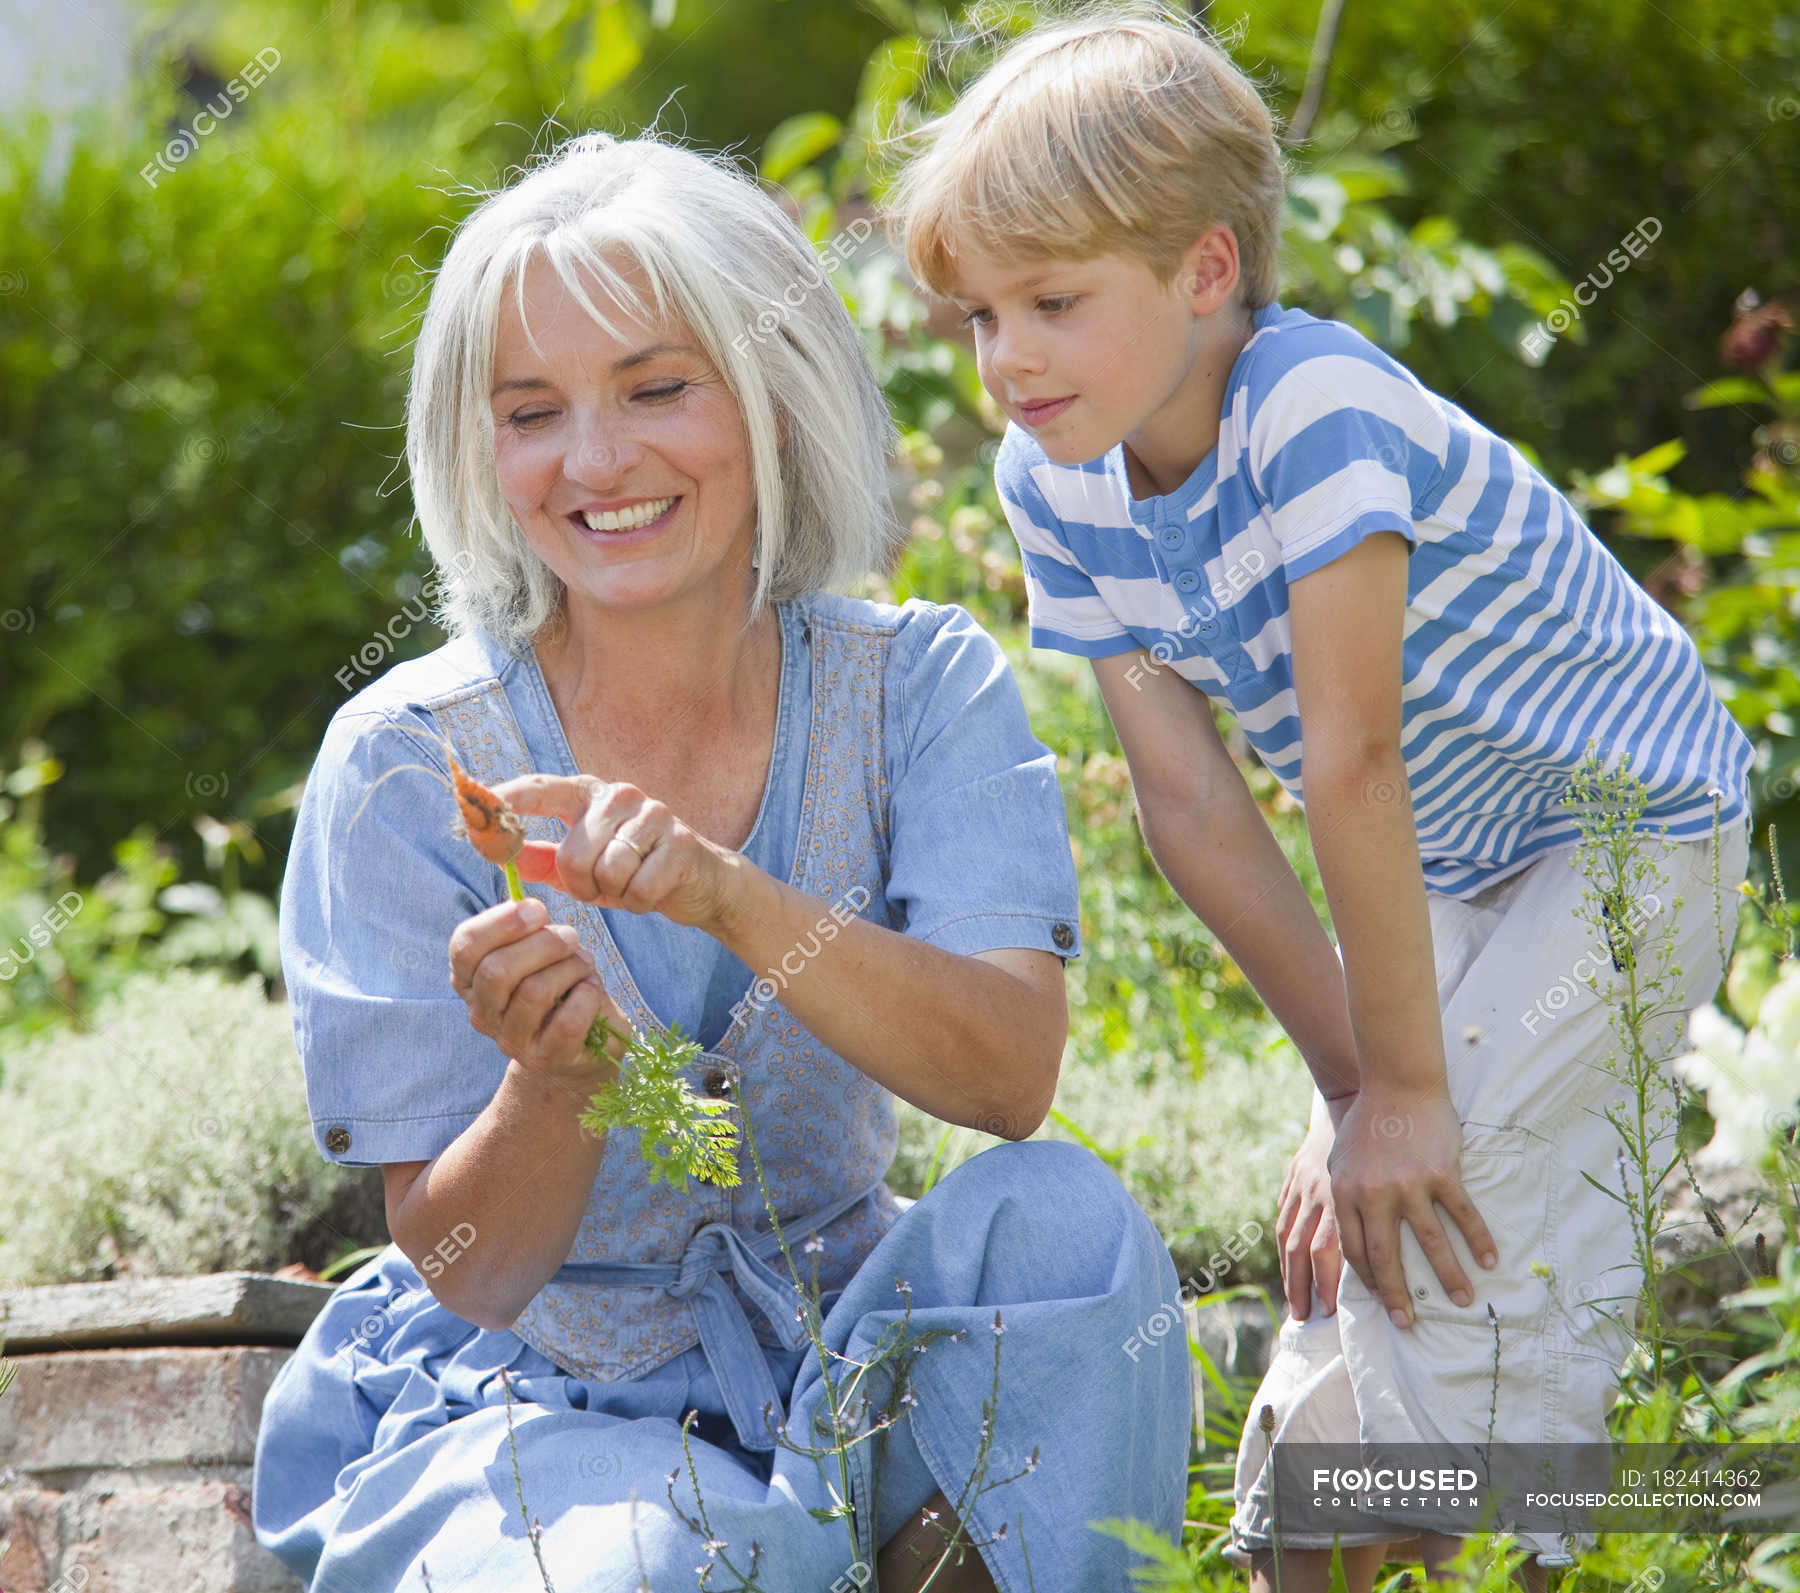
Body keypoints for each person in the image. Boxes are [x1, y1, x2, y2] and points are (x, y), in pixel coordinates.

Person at [882, 8, 1754, 1589]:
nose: (1007, 360)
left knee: (1444, 1198)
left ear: (1206, 273)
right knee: (1350, 1225)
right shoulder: (1053, 475)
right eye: (980, 317)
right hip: (1441, 853)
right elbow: (1189, 803)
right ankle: (1338, 1541)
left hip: (1628, 829)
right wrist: (1352, 1084)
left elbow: (1348, 757)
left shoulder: (1314, 410)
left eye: (1055, 303)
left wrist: (1406, 1096)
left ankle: (1493, 1545)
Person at [251, 128, 1192, 1592]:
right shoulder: (405, 764)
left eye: (656, 387)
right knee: (652, 1566)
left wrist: (729, 895)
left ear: (771, 396)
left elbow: (1006, 1075)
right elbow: (472, 1269)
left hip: (839, 1337)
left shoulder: (919, 688)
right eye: (533, 410)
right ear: (481, 445)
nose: (598, 459)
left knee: (1072, 1226)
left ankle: (877, 1540)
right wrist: (553, 1081)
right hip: (537, 1392)